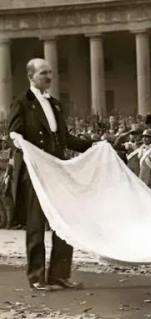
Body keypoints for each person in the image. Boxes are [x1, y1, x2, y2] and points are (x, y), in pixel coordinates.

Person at [8, 58, 92, 291]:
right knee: (36, 224)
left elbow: (65, 139)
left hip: (58, 171)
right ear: (31, 76)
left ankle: (59, 275)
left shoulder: (55, 104)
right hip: (35, 172)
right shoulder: (22, 103)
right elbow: (13, 134)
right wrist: (18, 141)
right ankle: (37, 277)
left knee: (64, 223)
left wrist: (95, 145)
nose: (49, 77)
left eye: (51, 73)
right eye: (44, 73)